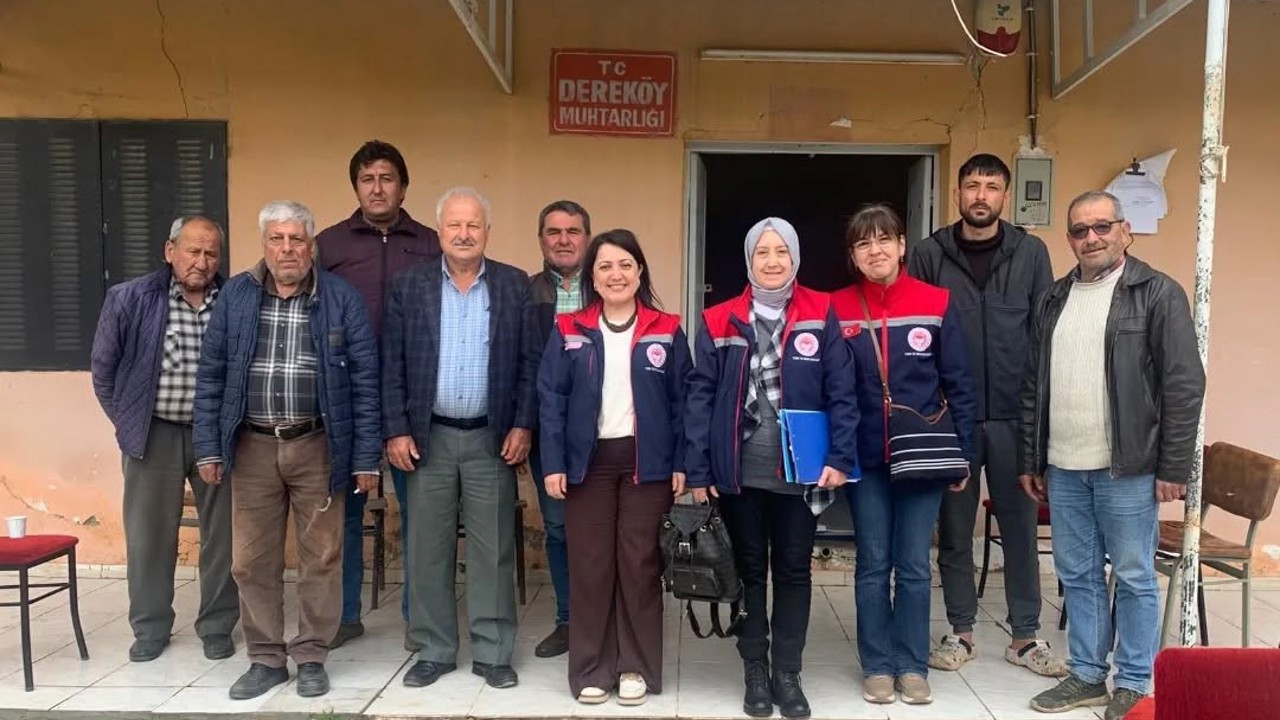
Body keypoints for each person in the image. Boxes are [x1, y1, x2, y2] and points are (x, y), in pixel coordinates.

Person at [1020, 191, 1205, 720]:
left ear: (1125, 230)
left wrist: (1173, 466)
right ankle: (1084, 675)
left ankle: (1133, 680)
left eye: (1102, 226)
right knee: (1076, 573)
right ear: (1070, 239)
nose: (1091, 238)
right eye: (1080, 230)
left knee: (1133, 574)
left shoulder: (1157, 293)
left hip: (1129, 467)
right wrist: (1034, 460)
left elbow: (1184, 385)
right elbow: (1034, 385)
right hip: (1065, 464)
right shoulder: (1054, 298)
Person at [194, 200, 381, 700]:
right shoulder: (236, 296)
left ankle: (313, 653)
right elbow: (210, 375)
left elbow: (365, 381)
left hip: (319, 443)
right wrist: (208, 446)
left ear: (311, 244)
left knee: (322, 556)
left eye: (296, 239)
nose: (287, 249)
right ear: (264, 245)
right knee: (250, 560)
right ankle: (266, 658)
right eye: (277, 239)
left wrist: (365, 457)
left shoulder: (341, 297)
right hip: (251, 444)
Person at [685, 217, 859, 719]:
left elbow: (841, 391)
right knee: (749, 574)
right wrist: (698, 470)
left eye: (781, 251)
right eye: (762, 252)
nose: (772, 260)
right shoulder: (719, 318)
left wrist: (840, 457)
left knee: (793, 572)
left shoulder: (820, 310)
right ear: (748, 261)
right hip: (738, 473)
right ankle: (755, 670)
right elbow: (700, 398)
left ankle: (788, 671)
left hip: (800, 474)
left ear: (795, 258)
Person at [907, 154, 1063, 676]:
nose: (981, 195)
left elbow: (1046, 339)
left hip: (1015, 418)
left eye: (992, 187)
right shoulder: (929, 254)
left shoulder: (1031, 252)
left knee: (1018, 524)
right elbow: (915, 339)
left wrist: (1040, 423)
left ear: (1005, 195)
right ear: (957, 193)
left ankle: (1025, 636)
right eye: (972, 185)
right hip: (950, 418)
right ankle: (961, 631)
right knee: (954, 525)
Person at [383, 187, 539, 691]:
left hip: (491, 441)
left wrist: (523, 424)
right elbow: (392, 365)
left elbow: (530, 365)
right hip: (427, 440)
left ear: (487, 232)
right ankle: (434, 649)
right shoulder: (410, 287)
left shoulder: (515, 286)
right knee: (427, 548)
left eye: (473, 225)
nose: (464, 234)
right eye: (454, 225)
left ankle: (493, 653)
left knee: (492, 549)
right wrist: (396, 429)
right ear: (440, 232)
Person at [830, 203, 977, 706]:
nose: (875, 250)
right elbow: (830, 387)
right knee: (872, 562)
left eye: (884, 239)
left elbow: (959, 382)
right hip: (864, 457)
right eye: (863, 243)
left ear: (901, 245)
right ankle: (876, 664)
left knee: (914, 564)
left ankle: (911, 664)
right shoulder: (838, 307)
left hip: (924, 455)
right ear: (853, 255)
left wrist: (965, 455)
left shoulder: (936, 301)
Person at [538, 229, 690, 706]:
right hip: (588, 465)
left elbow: (685, 402)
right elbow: (551, 400)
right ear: (592, 277)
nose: (616, 274)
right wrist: (553, 462)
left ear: (640, 271)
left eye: (625, 264)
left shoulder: (666, 327)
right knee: (591, 566)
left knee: (640, 566)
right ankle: (590, 668)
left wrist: (685, 462)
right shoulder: (570, 330)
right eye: (605, 266)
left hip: (648, 466)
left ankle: (635, 667)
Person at [90, 216, 239, 663]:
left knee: (224, 537)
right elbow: (104, 370)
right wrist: (127, 421)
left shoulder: (233, 298)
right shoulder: (131, 298)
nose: (202, 261)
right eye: (193, 250)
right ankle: (151, 628)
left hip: (216, 434)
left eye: (211, 252)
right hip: (152, 435)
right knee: (149, 536)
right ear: (169, 250)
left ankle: (217, 627)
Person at [315, 139, 440, 647]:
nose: (378, 188)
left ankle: (419, 617)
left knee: (420, 514)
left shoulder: (431, 243)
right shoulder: (328, 244)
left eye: (387, 178)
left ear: (403, 186)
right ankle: (345, 615)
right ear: (355, 188)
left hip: (414, 397)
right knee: (342, 514)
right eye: (368, 179)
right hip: (344, 397)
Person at [527, 199, 591, 658]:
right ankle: (569, 620)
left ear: (587, 238)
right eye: (554, 232)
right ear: (542, 240)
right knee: (558, 528)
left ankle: (603, 619)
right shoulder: (522, 293)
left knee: (603, 528)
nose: (564, 240)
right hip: (546, 431)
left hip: (605, 433)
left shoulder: (610, 284)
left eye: (573, 231)